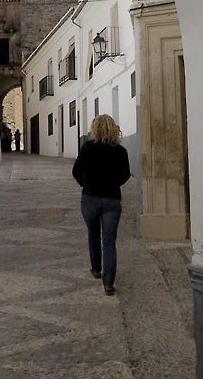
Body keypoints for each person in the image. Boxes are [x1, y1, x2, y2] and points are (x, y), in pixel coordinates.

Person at [72, 114, 130, 295]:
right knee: (109, 242)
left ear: (94, 129)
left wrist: (86, 184)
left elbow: (76, 171)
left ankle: (96, 269)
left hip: (90, 198)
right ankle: (108, 283)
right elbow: (125, 175)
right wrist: (113, 185)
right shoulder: (120, 151)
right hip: (112, 200)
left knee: (93, 235)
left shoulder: (87, 148)